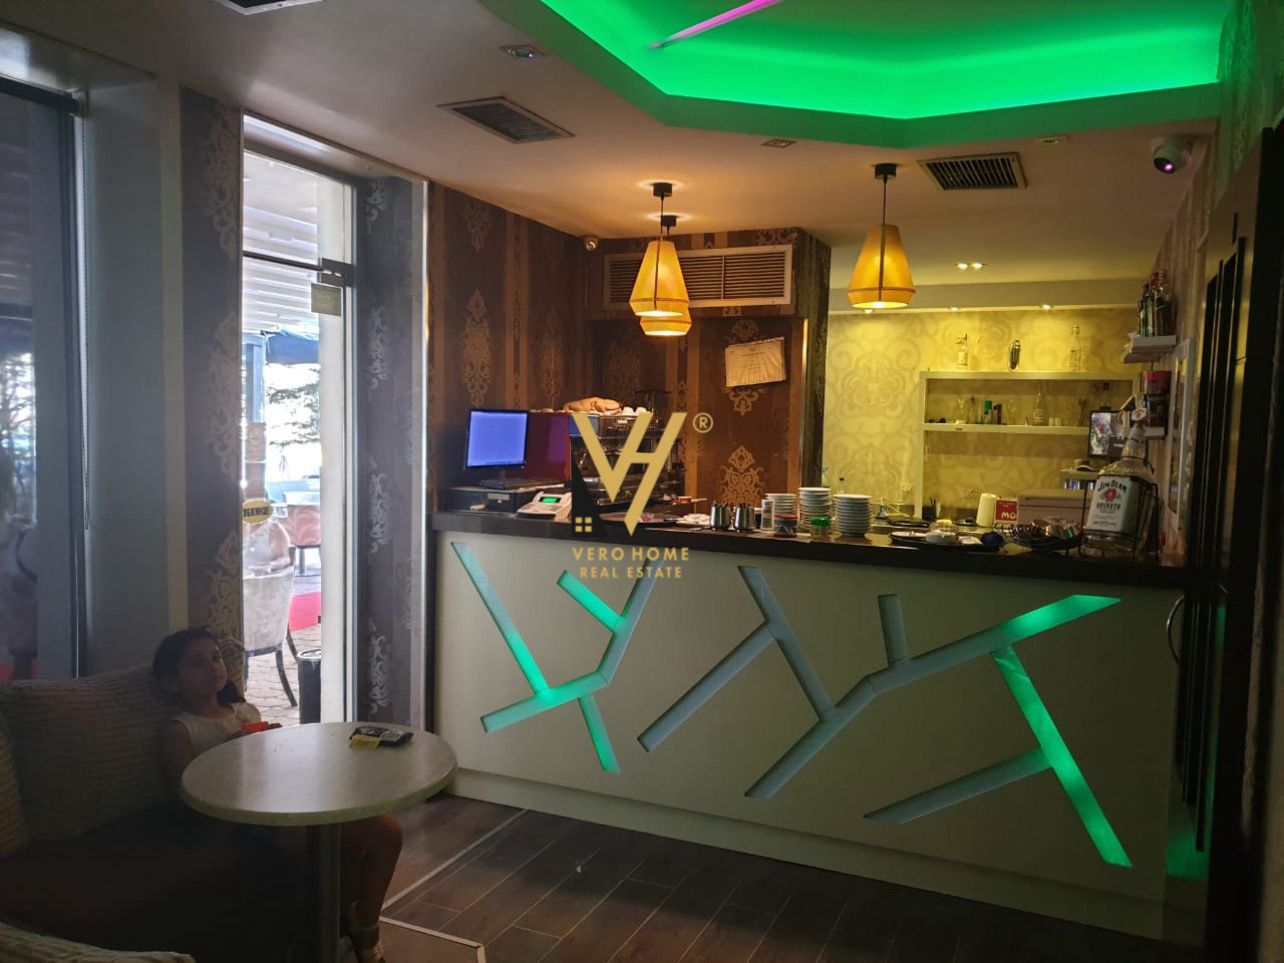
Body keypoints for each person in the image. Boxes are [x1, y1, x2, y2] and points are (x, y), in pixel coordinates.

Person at [153, 627, 402, 963]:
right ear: (171, 682)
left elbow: (271, 764)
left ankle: (366, 924)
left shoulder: (244, 712)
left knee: (387, 832)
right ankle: (321, 933)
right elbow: (184, 794)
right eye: (196, 663)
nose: (213, 667)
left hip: (283, 795)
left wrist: (275, 743)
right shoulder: (181, 730)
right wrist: (227, 755)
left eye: (215, 657)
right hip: (240, 818)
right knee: (319, 849)